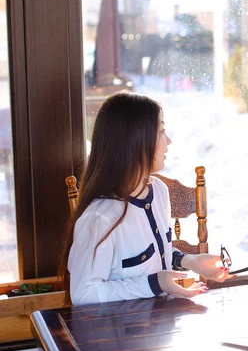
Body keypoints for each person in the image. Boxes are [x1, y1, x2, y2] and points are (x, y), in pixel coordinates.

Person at [58, 91, 230, 305]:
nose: (168, 141)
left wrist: (190, 261)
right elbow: (83, 294)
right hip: (120, 334)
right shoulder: (100, 218)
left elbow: (155, 253)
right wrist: (155, 283)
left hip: (160, 326)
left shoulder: (158, 191)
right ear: (135, 141)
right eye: (161, 131)